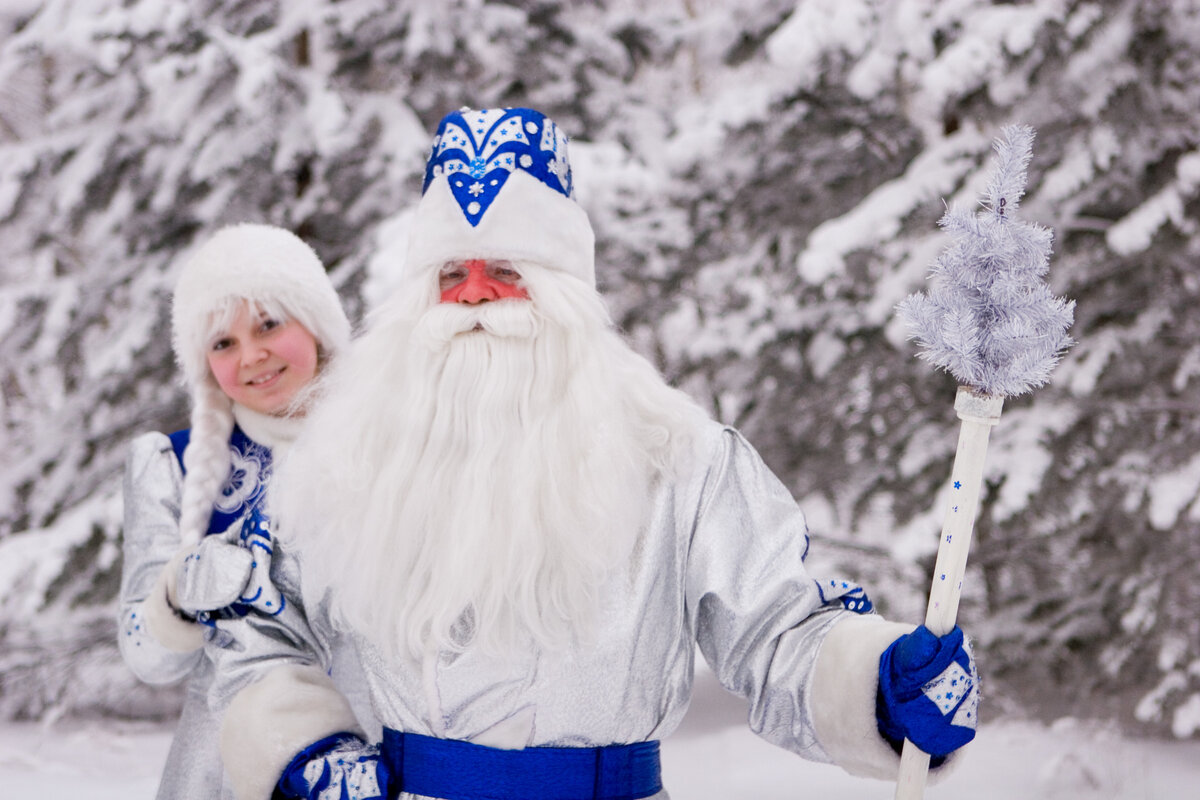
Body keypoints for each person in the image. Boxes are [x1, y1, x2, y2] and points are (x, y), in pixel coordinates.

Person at [208, 108, 980, 800]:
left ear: (566, 291)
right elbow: (259, 621)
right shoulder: (350, 454)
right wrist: (305, 747)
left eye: (506, 270)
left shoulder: (676, 455)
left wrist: (878, 686)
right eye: (453, 274)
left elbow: (777, 631)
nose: (476, 297)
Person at [117, 223, 357, 800]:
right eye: (223, 343)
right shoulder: (172, 466)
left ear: (316, 325)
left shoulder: (395, 444)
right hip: (222, 775)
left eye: (269, 324)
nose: (251, 356)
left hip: (370, 761)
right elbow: (146, 658)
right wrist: (178, 593)